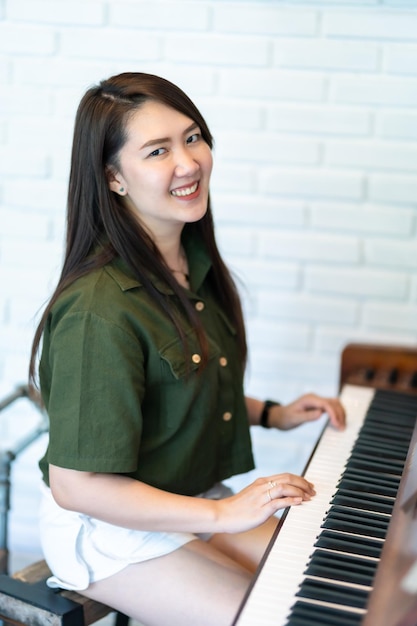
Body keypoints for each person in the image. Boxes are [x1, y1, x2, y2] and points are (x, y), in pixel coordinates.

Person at [29, 72, 345, 626]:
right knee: (275, 618)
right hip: (110, 529)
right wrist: (224, 512)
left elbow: (173, 390)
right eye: (157, 151)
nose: (188, 162)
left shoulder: (188, 262)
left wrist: (274, 414)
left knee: (324, 589)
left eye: (192, 137)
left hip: (188, 498)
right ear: (114, 178)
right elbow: (76, 484)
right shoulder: (97, 309)